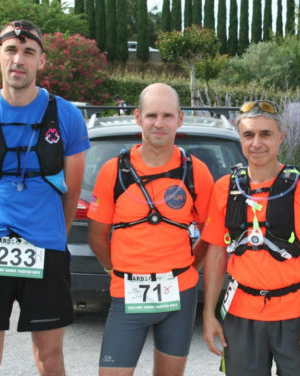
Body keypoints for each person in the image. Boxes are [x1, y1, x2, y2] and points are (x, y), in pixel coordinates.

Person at [0, 20, 90, 376]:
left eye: (29, 52)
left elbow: (72, 194)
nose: (19, 59)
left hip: (46, 247)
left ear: (41, 61)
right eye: (11, 50)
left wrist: (53, 234)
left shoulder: (67, 117)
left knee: (50, 359)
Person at [88, 83, 214, 376]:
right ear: (137, 117)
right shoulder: (113, 171)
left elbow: (210, 232)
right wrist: (115, 270)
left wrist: (189, 266)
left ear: (180, 119)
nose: (159, 123)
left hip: (179, 295)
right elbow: (96, 236)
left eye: (168, 116)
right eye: (152, 115)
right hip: (127, 292)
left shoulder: (195, 171)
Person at [201, 100, 300, 376]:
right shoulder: (225, 188)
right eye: (248, 135)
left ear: (281, 137)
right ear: (240, 138)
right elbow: (215, 255)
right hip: (240, 315)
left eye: (266, 134)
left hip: (294, 315)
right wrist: (209, 314)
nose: (256, 143)